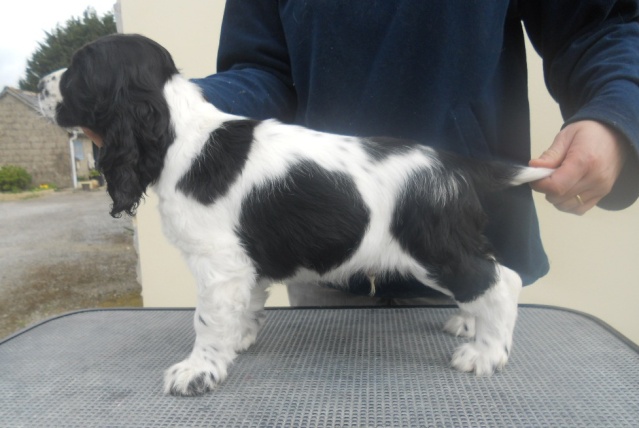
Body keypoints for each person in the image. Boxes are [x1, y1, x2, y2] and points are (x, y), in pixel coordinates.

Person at [192, 1, 639, 306]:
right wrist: (176, 104)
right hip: (321, 253)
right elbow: (261, 69)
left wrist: (615, 110)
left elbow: (599, 26)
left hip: (458, 240)